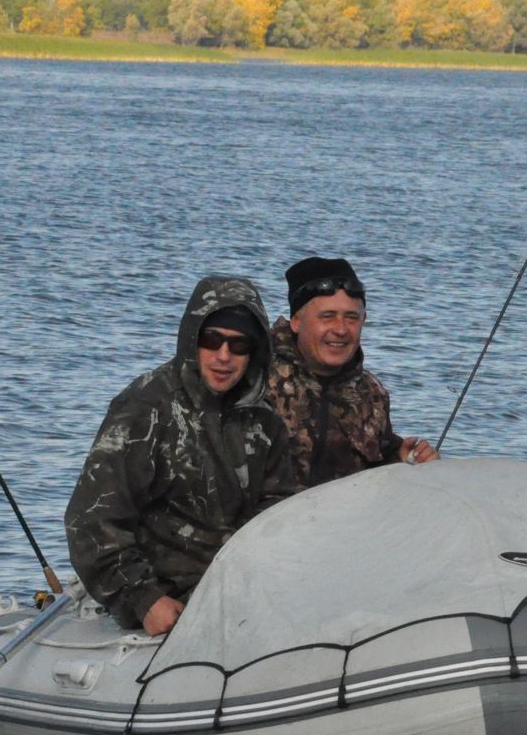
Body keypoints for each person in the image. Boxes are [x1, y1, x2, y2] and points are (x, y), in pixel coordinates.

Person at [65, 276, 293, 636]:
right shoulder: (146, 408)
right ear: (192, 339)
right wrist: (142, 599)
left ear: (254, 352)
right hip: (164, 608)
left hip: (239, 602)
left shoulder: (264, 422)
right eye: (212, 340)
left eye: (238, 344)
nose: (223, 356)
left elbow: (280, 514)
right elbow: (91, 519)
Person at [267, 256, 437, 489]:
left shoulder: (372, 394)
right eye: (327, 316)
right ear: (296, 321)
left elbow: (379, 466)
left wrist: (404, 460)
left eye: (351, 318)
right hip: (261, 524)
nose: (340, 330)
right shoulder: (255, 376)